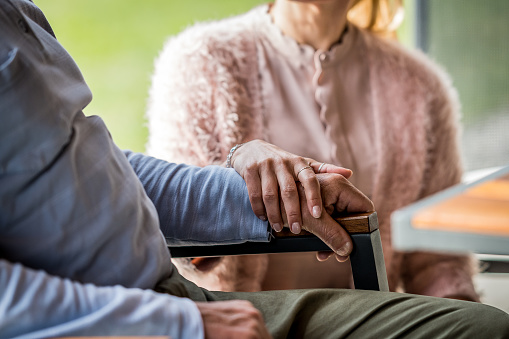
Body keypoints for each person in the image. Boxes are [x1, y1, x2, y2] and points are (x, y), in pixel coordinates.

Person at [2, 0, 509, 338]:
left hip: (172, 297)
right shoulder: (203, 60)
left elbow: (94, 173)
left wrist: (255, 194)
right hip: (168, 307)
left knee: (484, 329)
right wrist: (241, 163)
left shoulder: (419, 85)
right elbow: (192, 259)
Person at [146, 0, 479, 299]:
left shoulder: (419, 86)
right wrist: (244, 181)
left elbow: (440, 262)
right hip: (247, 323)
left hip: (374, 323)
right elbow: (178, 241)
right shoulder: (200, 62)